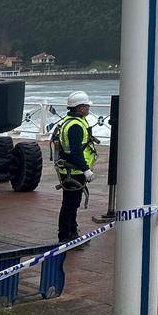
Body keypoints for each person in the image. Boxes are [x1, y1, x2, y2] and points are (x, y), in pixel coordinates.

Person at [56, 90, 98, 244]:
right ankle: (65, 236)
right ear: (80, 108)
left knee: (72, 203)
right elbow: (76, 151)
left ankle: (72, 233)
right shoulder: (75, 126)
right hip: (73, 171)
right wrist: (86, 170)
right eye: (86, 106)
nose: (88, 108)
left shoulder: (69, 121)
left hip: (70, 169)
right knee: (70, 204)